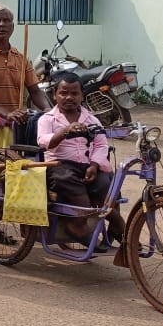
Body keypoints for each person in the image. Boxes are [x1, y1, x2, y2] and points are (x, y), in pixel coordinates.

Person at [0, 4, 51, 241]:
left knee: (12, 179)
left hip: (15, 128)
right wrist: (6, 113)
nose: (1, 25)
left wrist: (50, 112)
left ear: (13, 26)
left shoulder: (20, 57)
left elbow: (35, 91)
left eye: (6, 21)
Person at [38, 72, 124, 245]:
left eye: (74, 93)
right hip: (58, 165)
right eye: (63, 93)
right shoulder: (47, 119)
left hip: (86, 165)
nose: (69, 97)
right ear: (55, 94)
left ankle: (116, 222)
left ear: (82, 96)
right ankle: (78, 225)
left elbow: (101, 145)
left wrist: (94, 164)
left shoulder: (91, 119)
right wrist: (64, 131)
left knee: (104, 183)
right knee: (69, 180)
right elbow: (44, 141)